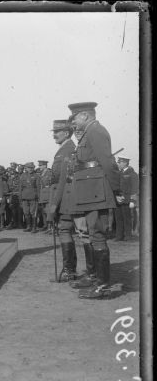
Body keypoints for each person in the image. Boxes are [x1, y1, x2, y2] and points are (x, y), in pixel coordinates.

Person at [67, 101, 121, 299]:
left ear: (85, 115)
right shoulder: (90, 132)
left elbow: (108, 162)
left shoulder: (96, 131)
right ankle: (97, 279)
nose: (73, 121)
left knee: (97, 235)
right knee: (93, 233)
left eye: (75, 117)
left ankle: (103, 286)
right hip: (91, 191)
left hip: (97, 191)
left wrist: (116, 188)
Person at [46, 119, 78, 281]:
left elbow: (62, 180)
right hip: (63, 197)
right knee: (64, 231)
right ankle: (70, 270)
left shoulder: (67, 150)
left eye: (56, 133)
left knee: (64, 230)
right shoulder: (64, 149)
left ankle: (69, 271)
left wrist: (53, 205)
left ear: (66, 133)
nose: (54, 136)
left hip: (65, 199)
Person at [114, 156, 139, 241]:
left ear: (125, 163)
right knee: (118, 219)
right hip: (118, 200)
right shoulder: (118, 173)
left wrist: (132, 200)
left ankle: (128, 236)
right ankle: (119, 236)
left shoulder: (133, 174)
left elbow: (135, 188)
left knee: (127, 219)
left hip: (127, 200)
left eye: (120, 162)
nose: (118, 164)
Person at [19, 162, 38, 232]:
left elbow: (38, 187)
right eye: (29, 168)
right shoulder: (22, 176)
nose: (30, 169)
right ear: (26, 168)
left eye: (32, 168)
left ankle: (34, 227)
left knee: (33, 212)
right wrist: (20, 197)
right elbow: (20, 188)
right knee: (26, 212)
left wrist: (38, 197)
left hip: (33, 197)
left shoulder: (36, 176)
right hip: (24, 197)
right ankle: (28, 226)